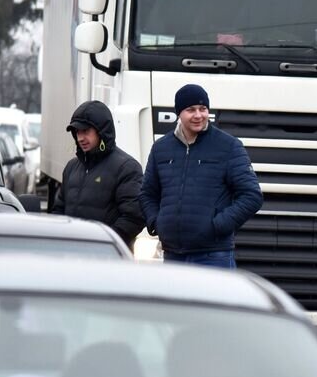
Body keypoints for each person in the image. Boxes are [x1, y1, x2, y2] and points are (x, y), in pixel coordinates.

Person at [140, 83, 263, 268]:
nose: (198, 115)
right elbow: (147, 194)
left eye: (203, 109)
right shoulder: (161, 148)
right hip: (173, 255)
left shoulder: (228, 146)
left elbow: (252, 195)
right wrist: (157, 223)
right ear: (179, 113)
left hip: (214, 256)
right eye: (191, 110)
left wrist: (218, 226)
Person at [50, 100, 145, 248]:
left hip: (107, 261)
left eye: (86, 131)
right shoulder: (71, 167)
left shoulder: (126, 167)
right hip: (70, 256)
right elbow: (58, 210)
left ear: (101, 131)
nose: (80, 138)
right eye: (77, 132)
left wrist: (104, 245)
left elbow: (134, 217)